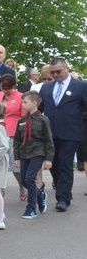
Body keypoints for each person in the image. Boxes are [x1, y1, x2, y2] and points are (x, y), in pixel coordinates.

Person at [38, 58, 87, 212]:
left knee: (66, 164)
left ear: (67, 68)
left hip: (70, 132)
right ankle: (64, 191)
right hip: (50, 132)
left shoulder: (80, 87)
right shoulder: (46, 88)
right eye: (53, 72)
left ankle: (63, 198)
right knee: (54, 164)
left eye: (58, 71)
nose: (56, 75)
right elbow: (39, 109)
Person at [14, 91, 55, 219]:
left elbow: (49, 140)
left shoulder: (43, 120)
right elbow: (17, 140)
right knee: (24, 181)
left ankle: (31, 209)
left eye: (25, 102)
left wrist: (49, 158)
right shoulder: (21, 121)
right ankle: (40, 194)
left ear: (34, 103)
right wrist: (16, 157)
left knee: (30, 178)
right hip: (25, 153)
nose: (22, 105)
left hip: (38, 152)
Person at [0, 74, 27, 202]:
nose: (5, 91)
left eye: (8, 88)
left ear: (14, 86)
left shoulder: (21, 96)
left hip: (12, 132)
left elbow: (24, 117)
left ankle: (22, 186)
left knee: (14, 164)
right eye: (3, 88)